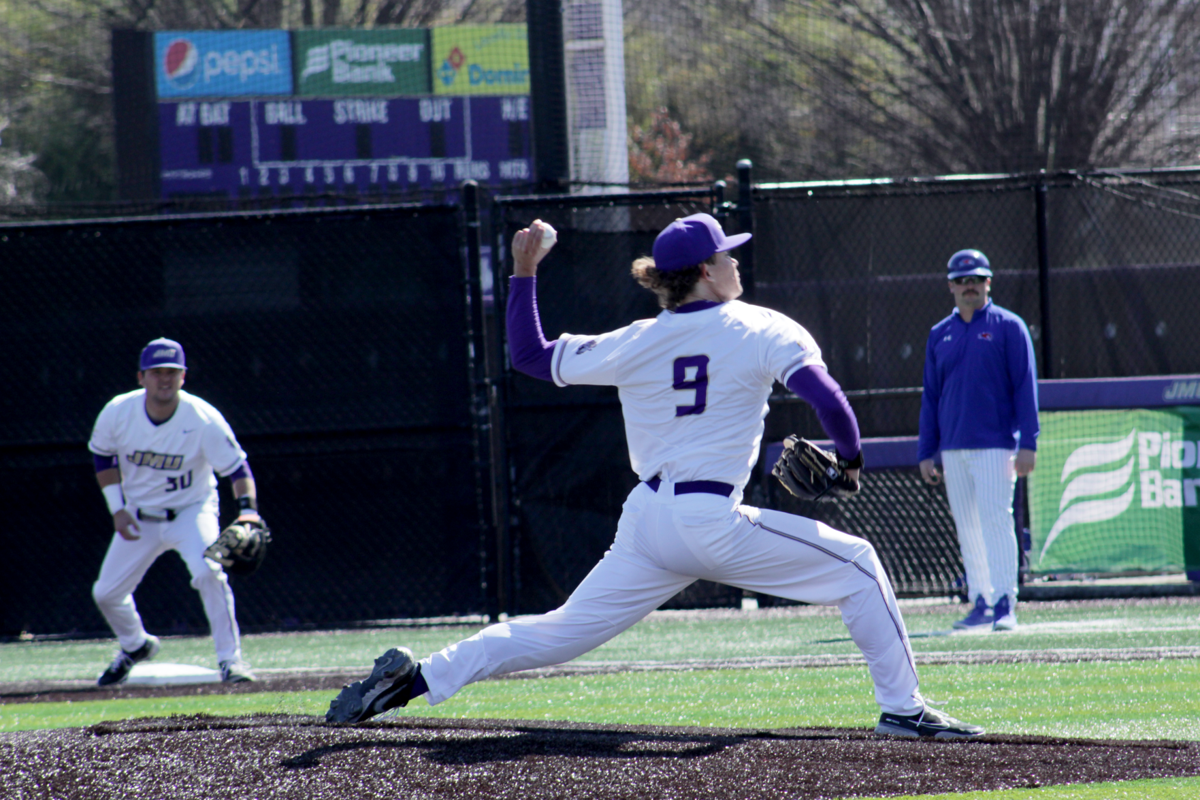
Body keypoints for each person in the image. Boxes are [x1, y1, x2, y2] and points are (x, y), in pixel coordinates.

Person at [327, 214, 983, 738]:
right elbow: (827, 397)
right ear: (704, 272)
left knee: (558, 630)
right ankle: (903, 707)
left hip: (646, 523)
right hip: (710, 521)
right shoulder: (757, 325)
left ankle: (417, 680)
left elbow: (528, 354)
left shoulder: (636, 338)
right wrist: (850, 459)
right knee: (860, 566)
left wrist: (525, 270)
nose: (735, 264)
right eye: (727, 256)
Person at [89, 338, 262, 685]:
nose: (164, 379)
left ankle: (231, 660)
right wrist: (117, 509)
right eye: (156, 372)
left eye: (172, 372)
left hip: (191, 511)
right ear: (141, 377)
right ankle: (135, 645)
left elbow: (237, 469)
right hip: (139, 514)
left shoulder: (203, 418)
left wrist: (248, 512)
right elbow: (103, 456)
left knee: (209, 573)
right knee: (105, 593)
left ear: (183, 376)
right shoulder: (118, 411)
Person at [918, 250, 1039, 633]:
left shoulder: (1009, 326)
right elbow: (931, 396)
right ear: (951, 285)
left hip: (997, 445)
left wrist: (1028, 442)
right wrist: (926, 450)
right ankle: (981, 601)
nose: (970, 286)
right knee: (967, 526)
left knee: (996, 522)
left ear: (989, 282)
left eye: (977, 279)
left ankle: (1006, 601)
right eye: (963, 280)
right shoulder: (940, 334)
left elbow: (1025, 387)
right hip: (953, 448)